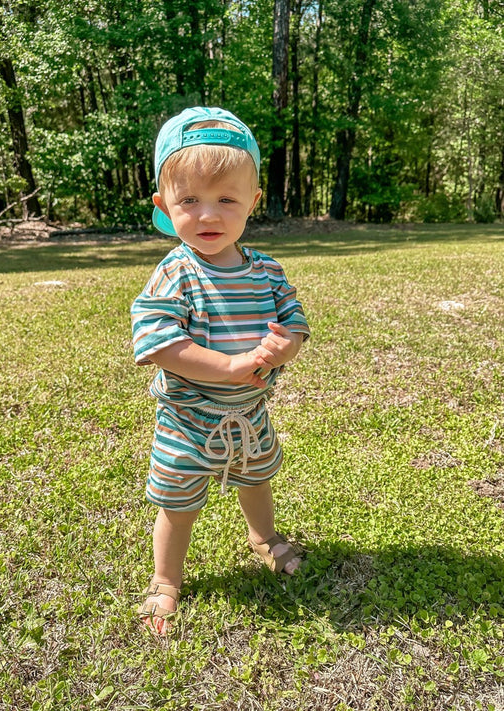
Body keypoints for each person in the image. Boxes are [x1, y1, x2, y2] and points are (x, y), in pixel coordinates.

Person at [131, 106, 310, 635]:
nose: (208, 216)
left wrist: (285, 348)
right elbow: (160, 343)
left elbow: (294, 322)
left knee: (257, 481)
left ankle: (264, 539)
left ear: (253, 202)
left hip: (250, 414)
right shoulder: (175, 273)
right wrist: (229, 364)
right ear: (165, 206)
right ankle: (166, 580)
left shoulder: (266, 270)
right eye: (189, 201)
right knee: (177, 504)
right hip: (188, 420)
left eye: (226, 200)